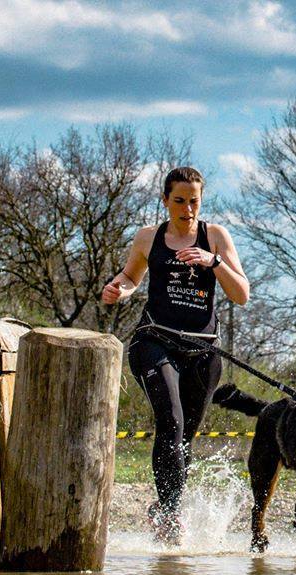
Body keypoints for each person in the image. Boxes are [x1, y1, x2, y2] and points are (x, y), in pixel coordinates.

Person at [101, 166, 250, 544]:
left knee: (183, 437)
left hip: (202, 350)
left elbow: (242, 294)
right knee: (171, 422)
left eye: (194, 201)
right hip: (155, 341)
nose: (187, 209)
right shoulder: (148, 237)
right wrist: (119, 289)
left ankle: (165, 507)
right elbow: (131, 277)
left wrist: (212, 262)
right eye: (179, 201)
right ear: (165, 200)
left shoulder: (215, 236)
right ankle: (169, 515)